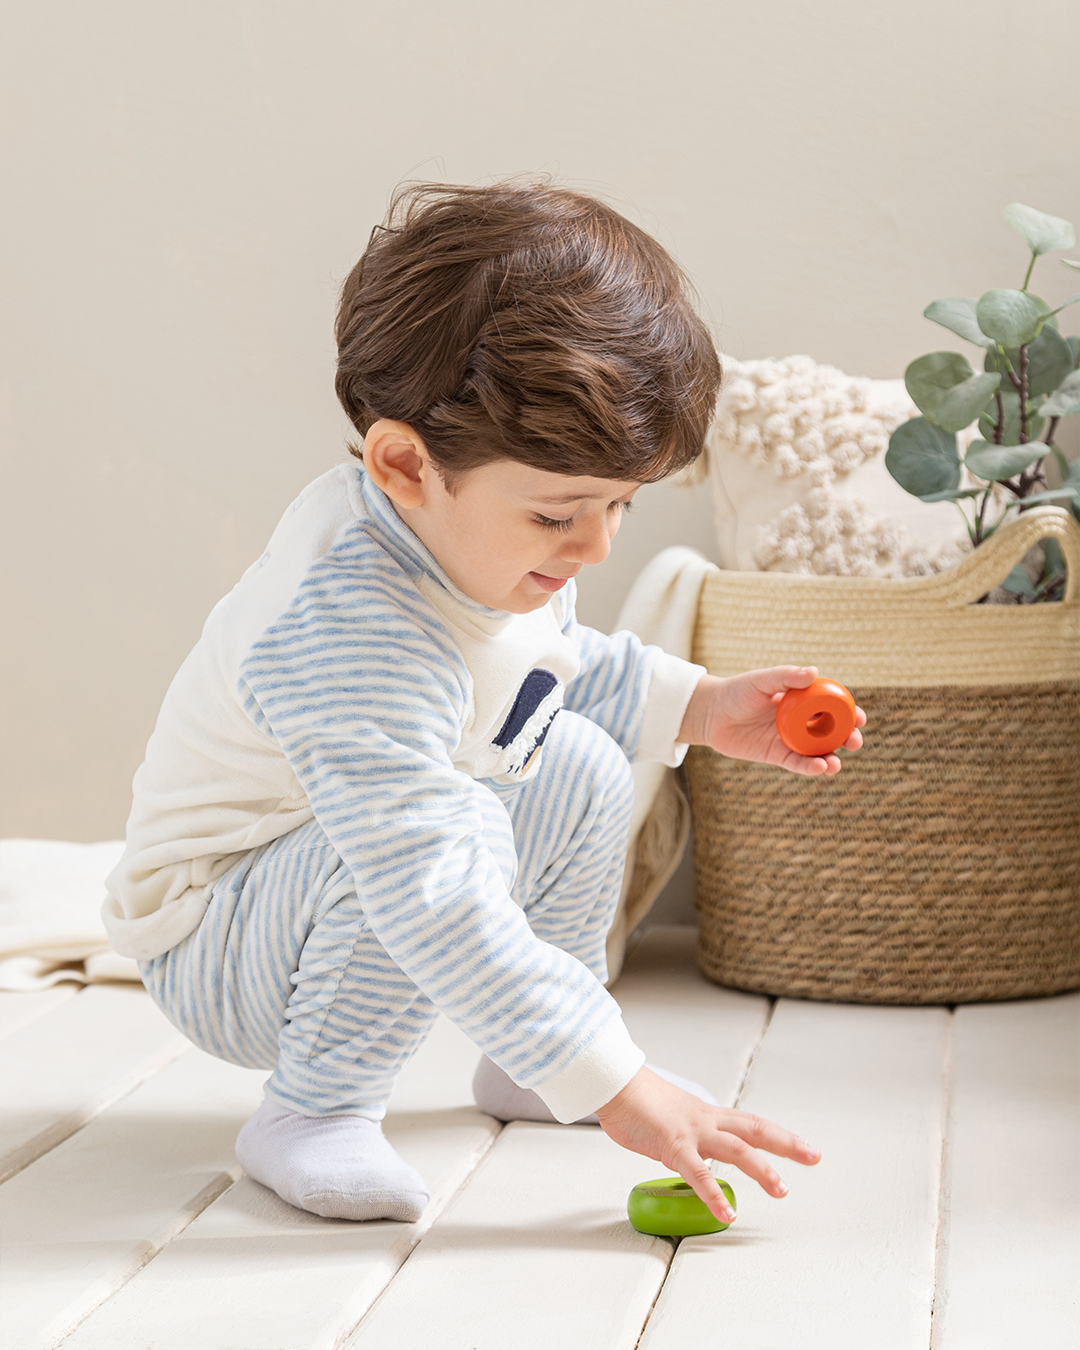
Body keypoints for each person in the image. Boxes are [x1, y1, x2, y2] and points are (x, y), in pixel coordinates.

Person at [103, 180, 863, 1227]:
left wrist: (702, 707)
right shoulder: (345, 622)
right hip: (224, 946)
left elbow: (536, 673)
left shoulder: (481, 544)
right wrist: (617, 1082)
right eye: (562, 512)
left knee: (585, 762)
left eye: (620, 507)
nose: (597, 545)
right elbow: (423, 875)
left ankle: (527, 1056)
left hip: (338, 879)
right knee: (446, 826)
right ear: (406, 465)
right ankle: (310, 1113)